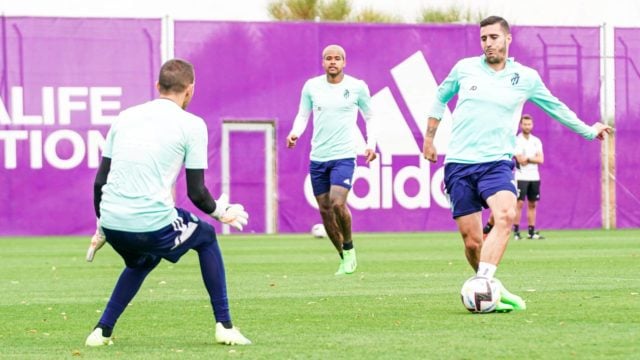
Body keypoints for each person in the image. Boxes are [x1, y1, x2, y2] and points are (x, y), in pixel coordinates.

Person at [422, 16, 612, 312]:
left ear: (508, 39)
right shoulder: (464, 69)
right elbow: (439, 97)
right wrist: (429, 139)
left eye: (494, 37)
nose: (488, 44)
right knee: (473, 243)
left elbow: (556, 107)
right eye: (484, 38)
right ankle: (493, 291)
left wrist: (589, 130)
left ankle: (483, 284)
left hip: (496, 163)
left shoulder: (526, 77)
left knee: (507, 215)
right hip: (459, 164)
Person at [84, 59, 252, 346]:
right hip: (151, 223)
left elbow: (100, 182)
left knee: (143, 261)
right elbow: (197, 193)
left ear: (157, 87)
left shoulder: (124, 116)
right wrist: (221, 212)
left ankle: (101, 331)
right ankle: (224, 325)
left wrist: (101, 230)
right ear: (190, 90)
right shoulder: (192, 124)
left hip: (112, 223)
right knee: (207, 237)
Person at [286, 44, 378, 276]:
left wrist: (371, 144)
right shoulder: (312, 87)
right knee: (325, 210)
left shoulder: (357, 87)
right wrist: (295, 132)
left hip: (344, 156)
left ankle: (349, 247)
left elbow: (370, 116)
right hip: (318, 158)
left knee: (338, 203)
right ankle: (344, 257)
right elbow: (303, 114)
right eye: (329, 58)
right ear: (323, 62)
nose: (333, 62)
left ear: (344, 62)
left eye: (337, 58)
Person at [513, 114, 545, 240]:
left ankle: (531, 232)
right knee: (519, 204)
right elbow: (520, 160)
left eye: (529, 124)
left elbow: (541, 159)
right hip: (521, 176)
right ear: (521, 125)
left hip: (534, 176)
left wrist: (529, 158)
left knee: (532, 204)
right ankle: (516, 232)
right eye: (525, 124)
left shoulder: (536, 141)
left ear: (532, 125)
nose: (527, 126)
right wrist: (532, 158)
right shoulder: (516, 140)